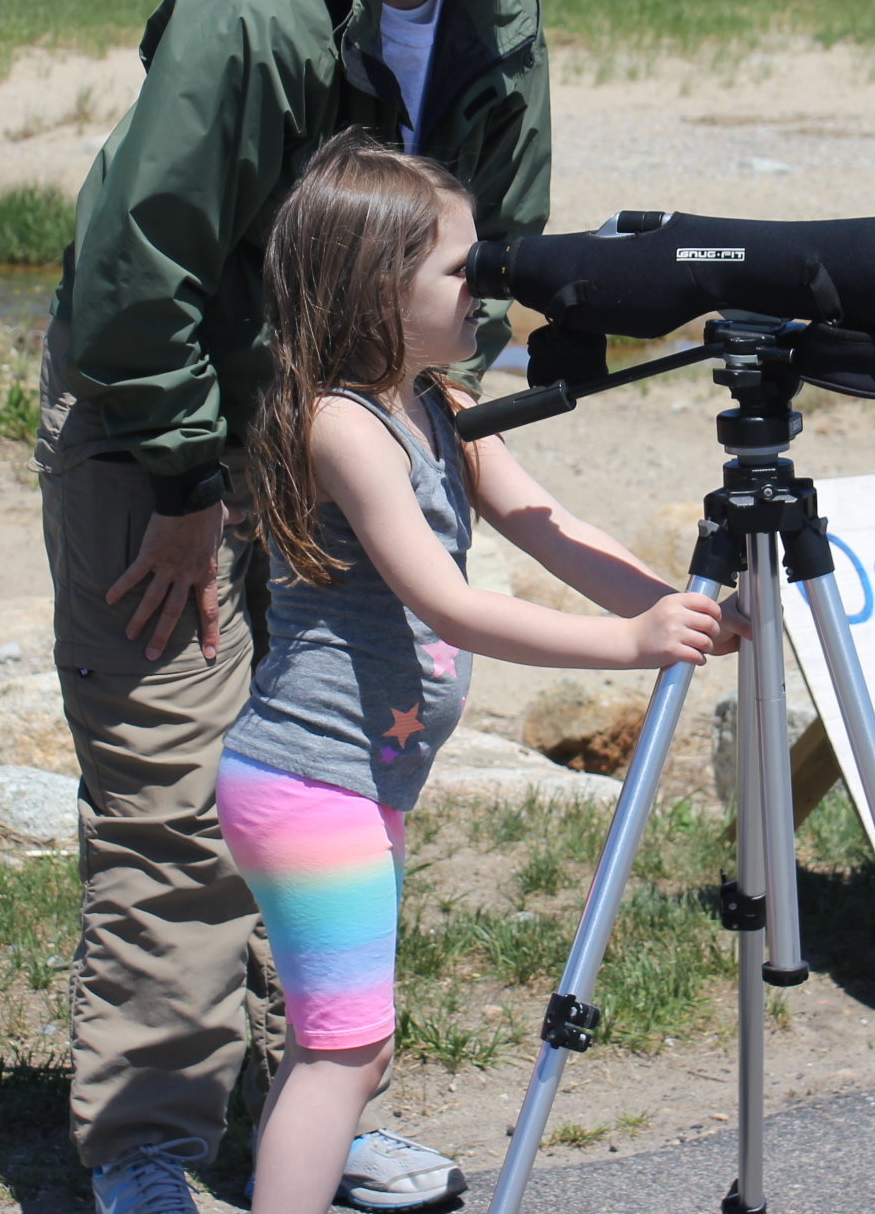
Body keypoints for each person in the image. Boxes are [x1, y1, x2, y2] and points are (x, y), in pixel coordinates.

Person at [36, 0, 578, 1214]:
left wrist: (463, 427)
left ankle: (313, 1108)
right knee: (169, 775)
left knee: (341, 767)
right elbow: (136, 273)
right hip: (164, 420)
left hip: (352, 418)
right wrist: (184, 490)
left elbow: (500, 251)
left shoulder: (499, 10)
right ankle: (148, 1145)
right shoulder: (251, 11)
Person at [224, 133, 744, 1214]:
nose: (490, 288)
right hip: (307, 784)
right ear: (375, 287)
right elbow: (448, 603)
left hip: (364, 784)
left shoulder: (442, 406)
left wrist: (666, 604)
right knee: (344, 1053)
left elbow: (547, 528)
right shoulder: (343, 427)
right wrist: (634, 646)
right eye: (464, 269)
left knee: (345, 1049)